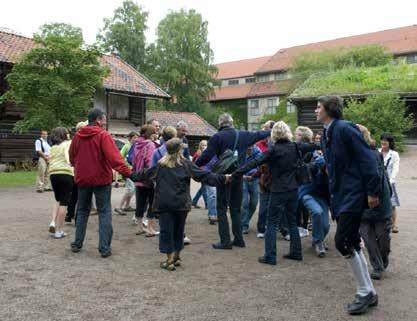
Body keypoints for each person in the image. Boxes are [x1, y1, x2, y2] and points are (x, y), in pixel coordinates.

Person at [316, 95, 380, 315]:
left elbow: (368, 159)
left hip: (352, 194)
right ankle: (368, 292)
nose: (316, 110)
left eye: (318, 107)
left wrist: (373, 191)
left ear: (329, 109)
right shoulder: (327, 133)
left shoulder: (344, 128)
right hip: (340, 196)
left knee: (342, 241)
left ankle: (364, 292)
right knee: (351, 240)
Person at [130, 138, 230, 271]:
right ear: (179, 150)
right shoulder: (186, 164)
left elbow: (142, 175)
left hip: (164, 205)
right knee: (179, 231)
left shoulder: (160, 166)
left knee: (166, 231)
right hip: (181, 205)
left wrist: (127, 172)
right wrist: (224, 178)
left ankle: (170, 260)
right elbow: (205, 175)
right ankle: (176, 257)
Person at [233, 121, 317, 265]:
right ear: (287, 132)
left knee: (271, 223)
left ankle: (270, 256)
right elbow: (316, 145)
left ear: (273, 134)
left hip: (278, 190)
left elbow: (254, 163)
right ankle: (296, 253)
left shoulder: (272, 150)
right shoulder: (296, 146)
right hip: (293, 190)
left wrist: (236, 173)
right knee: (291, 221)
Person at [196, 113, 271, 250]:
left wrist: (194, 165)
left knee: (222, 208)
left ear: (220, 124)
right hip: (238, 175)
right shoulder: (243, 134)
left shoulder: (217, 137)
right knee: (236, 208)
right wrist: (273, 129)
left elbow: (207, 156)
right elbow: (260, 134)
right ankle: (238, 239)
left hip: (223, 177)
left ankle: (225, 241)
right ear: (232, 123)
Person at [69, 108, 132, 258]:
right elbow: (115, 159)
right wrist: (129, 173)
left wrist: (80, 167)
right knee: (104, 211)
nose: (105, 122)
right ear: (98, 120)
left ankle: (77, 243)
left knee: (83, 210)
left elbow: (72, 157)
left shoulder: (77, 136)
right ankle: (104, 248)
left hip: (83, 179)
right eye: (104, 119)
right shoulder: (103, 135)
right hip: (101, 179)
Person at [357, 125, 392, 280]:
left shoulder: (373, 154)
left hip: (379, 201)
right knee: (368, 237)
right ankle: (377, 267)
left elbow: (377, 177)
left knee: (383, 237)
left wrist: (374, 194)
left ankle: (383, 257)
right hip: (360, 203)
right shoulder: (350, 155)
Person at [296, 126, 330, 257]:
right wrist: (320, 164)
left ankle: (318, 239)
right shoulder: (312, 155)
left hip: (323, 196)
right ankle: (318, 242)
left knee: (326, 226)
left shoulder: (333, 158)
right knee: (317, 212)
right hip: (308, 192)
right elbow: (310, 167)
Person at [132, 124, 158, 236]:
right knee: (152, 203)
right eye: (155, 133)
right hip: (148, 179)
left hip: (138, 177)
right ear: (151, 134)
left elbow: (132, 161)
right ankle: (150, 229)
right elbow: (149, 161)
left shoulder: (136, 144)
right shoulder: (150, 145)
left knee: (140, 204)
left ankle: (139, 228)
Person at [48, 127, 73, 239]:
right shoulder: (67, 144)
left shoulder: (52, 147)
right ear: (64, 135)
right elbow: (69, 158)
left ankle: (53, 222)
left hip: (53, 174)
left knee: (57, 199)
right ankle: (59, 231)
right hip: (65, 174)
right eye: (67, 133)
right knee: (64, 203)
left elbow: (49, 160)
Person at [65, 121, 87, 223]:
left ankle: (70, 215)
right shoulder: (79, 141)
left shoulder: (74, 140)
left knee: (74, 195)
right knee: (78, 196)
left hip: (75, 171)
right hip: (77, 172)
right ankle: (74, 216)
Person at [379, 133, 400, 234]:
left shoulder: (394, 154)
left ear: (390, 142)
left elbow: (395, 169)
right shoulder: (377, 151)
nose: (383, 142)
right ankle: (382, 222)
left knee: (392, 204)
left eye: (385, 140)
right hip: (378, 181)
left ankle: (394, 224)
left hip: (389, 182)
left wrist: (391, 180)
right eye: (382, 140)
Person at [114, 131, 139, 215]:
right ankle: (119, 206)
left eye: (137, 137)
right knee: (130, 189)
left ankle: (127, 206)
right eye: (134, 137)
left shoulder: (136, 147)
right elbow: (120, 157)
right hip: (128, 170)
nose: (136, 139)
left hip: (134, 170)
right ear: (130, 138)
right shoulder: (127, 146)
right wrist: (125, 165)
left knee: (132, 189)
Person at [240, 145, 262, 234]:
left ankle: (245, 220)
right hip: (242, 178)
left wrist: (252, 175)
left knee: (254, 203)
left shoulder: (258, 153)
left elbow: (260, 166)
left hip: (254, 179)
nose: (249, 148)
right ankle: (243, 224)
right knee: (244, 202)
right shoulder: (240, 151)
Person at [192, 140, 208, 209]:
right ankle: (207, 204)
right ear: (200, 146)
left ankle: (194, 202)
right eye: (203, 145)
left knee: (203, 188)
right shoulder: (198, 154)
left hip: (206, 172)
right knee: (204, 188)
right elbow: (195, 163)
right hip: (201, 172)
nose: (204, 146)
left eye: (206, 145)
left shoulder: (207, 153)